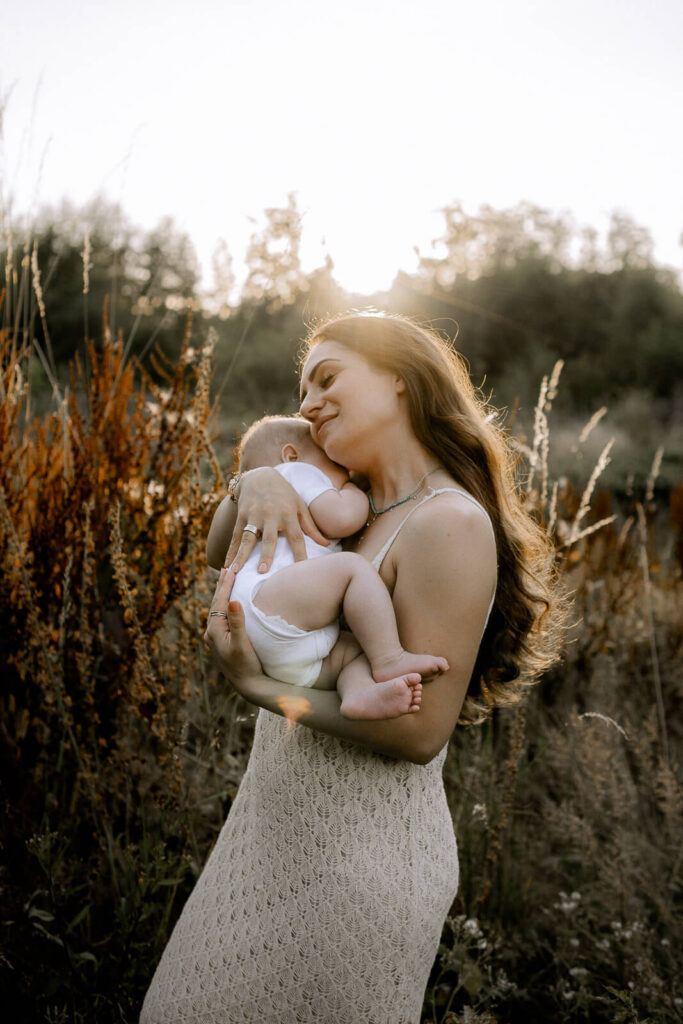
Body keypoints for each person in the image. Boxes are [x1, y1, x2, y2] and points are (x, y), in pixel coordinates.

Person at [141, 312, 563, 1024]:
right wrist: (254, 480)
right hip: (271, 839)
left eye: (327, 378)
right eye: (301, 390)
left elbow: (418, 735)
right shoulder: (357, 513)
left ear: (399, 376)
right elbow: (221, 551)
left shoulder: (447, 523)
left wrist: (257, 688)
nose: (306, 403)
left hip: (358, 865)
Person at [214, 414, 448, 720]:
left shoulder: (260, 497)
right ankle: (390, 658)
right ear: (290, 454)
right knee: (352, 569)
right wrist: (353, 490)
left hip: (273, 644)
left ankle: (359, 693)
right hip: (270, 600)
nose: (343, 473)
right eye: (335, 466)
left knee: (351, 655)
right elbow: (342, 518)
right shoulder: (291, 473)